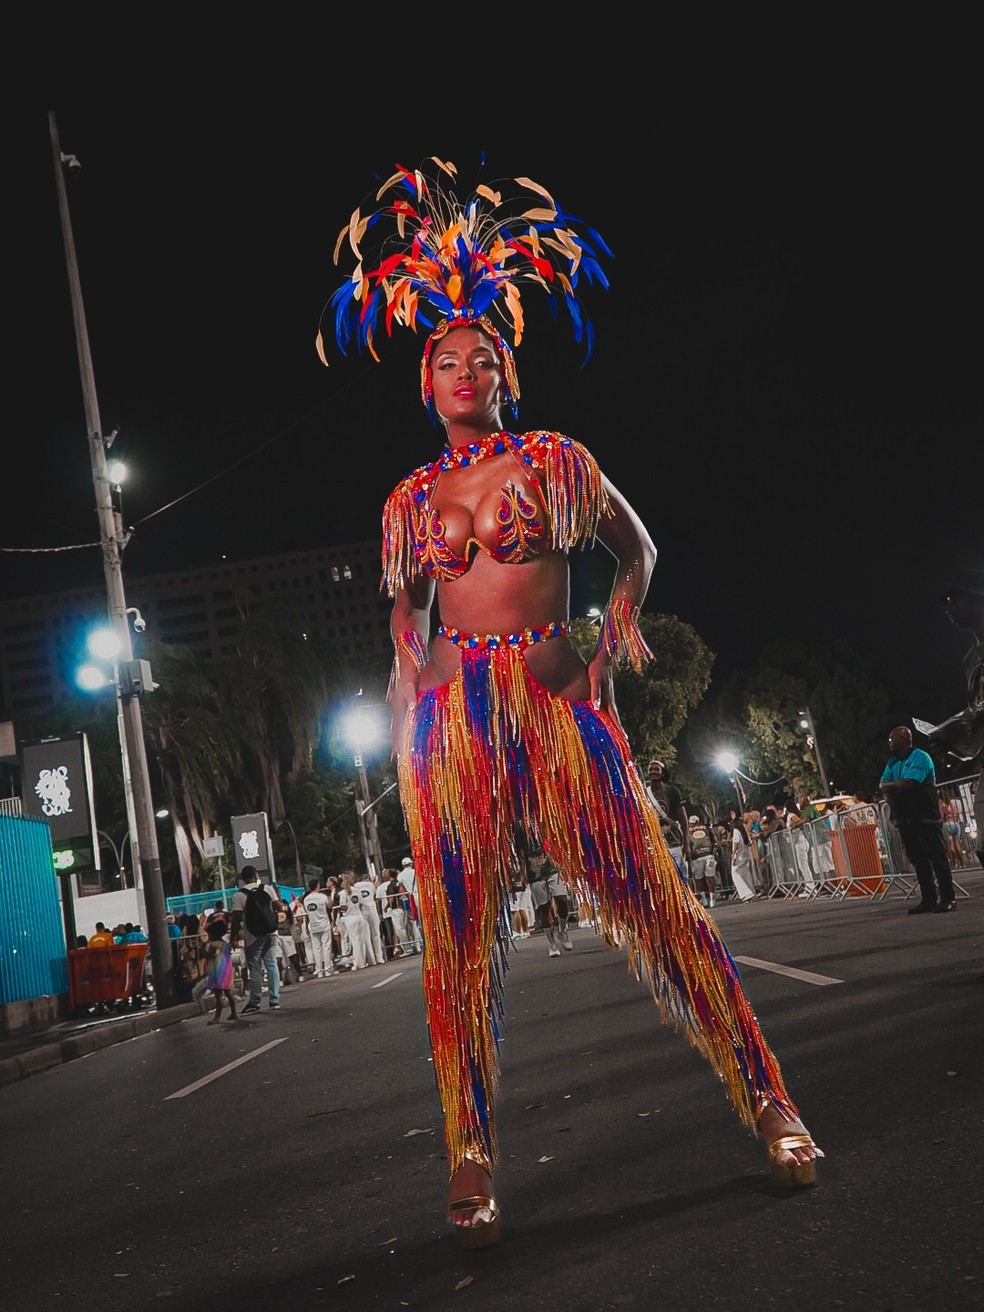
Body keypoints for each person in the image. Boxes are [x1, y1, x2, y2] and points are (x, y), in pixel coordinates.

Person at [321, 159, 821, 1249]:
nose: (464, 370)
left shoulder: (557, 460)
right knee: (455, 951)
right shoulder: (407, 499)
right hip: (457, 733)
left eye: (482, 356)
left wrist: (607, 643)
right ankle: (469, 1154)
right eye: (444, 359)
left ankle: (771, 1097)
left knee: (662, 907)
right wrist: (411, 691)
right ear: (425, 383)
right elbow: (406, 615)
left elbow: (635, 550)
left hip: (557, 713)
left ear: (509, 371)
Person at [928, 568, 984, 869]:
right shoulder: (970, 659)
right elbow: (978, 714)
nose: (949, 609)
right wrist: (951, 740)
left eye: (954, 599)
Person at [877, 726, 955, 914]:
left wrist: (893, 787)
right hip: (905, 818)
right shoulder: (893, 762)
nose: (889, 742)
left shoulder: (920, 757)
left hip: (925, 815)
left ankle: (948, 898)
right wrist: (896, 786)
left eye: (891, 738)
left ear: (904, 739)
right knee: (918, 860)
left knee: (937, 857)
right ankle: (928, 899)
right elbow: (882, 785)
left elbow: (910, 783)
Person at [230, 865, 282, 1012]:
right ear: (256, 875)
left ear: (243, 879)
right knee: (271, 964)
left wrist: (233, 937)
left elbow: (237, 918)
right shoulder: (267, 889)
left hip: (252, 935)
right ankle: (274, 999)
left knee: (254, 967)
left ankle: (255, 1001)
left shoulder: (238, 895)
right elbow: (278, 907)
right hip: (271, 932)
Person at [645, 760, 691, 876]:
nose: (653, 772)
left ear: (662, 773)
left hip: (674, 842)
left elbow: (683, 818)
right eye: (650, 769)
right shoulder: (644, 794)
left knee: (679, 877)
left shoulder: (672, 791)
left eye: (656, 769)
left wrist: (686, 844)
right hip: (655, 844)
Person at [201, 918, 239, 1025]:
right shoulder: (226, 944)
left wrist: (202, 949)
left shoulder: (213, 944)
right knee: (228, 992)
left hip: (218, 971)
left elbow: (209, 955)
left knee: (218, 994)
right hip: (227, 970)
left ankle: (217, 1017)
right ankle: (233, 1012)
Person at [304, 876, 335, 978]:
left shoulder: (306, 899)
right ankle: (327, 968)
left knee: (316, 948)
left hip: (313, 925)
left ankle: (319, 970)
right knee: (326, 946)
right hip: (323, 923)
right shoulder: (322, 897)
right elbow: (329, 906)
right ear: (317, 886)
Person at [688, 814, 718, 908]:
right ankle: (712, 899)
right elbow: (713, 841)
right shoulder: (706, 828)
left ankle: (704, 899)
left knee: (699, 878)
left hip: (697, 856)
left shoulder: (688, 831)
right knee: (710, 877)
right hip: (709, 854)